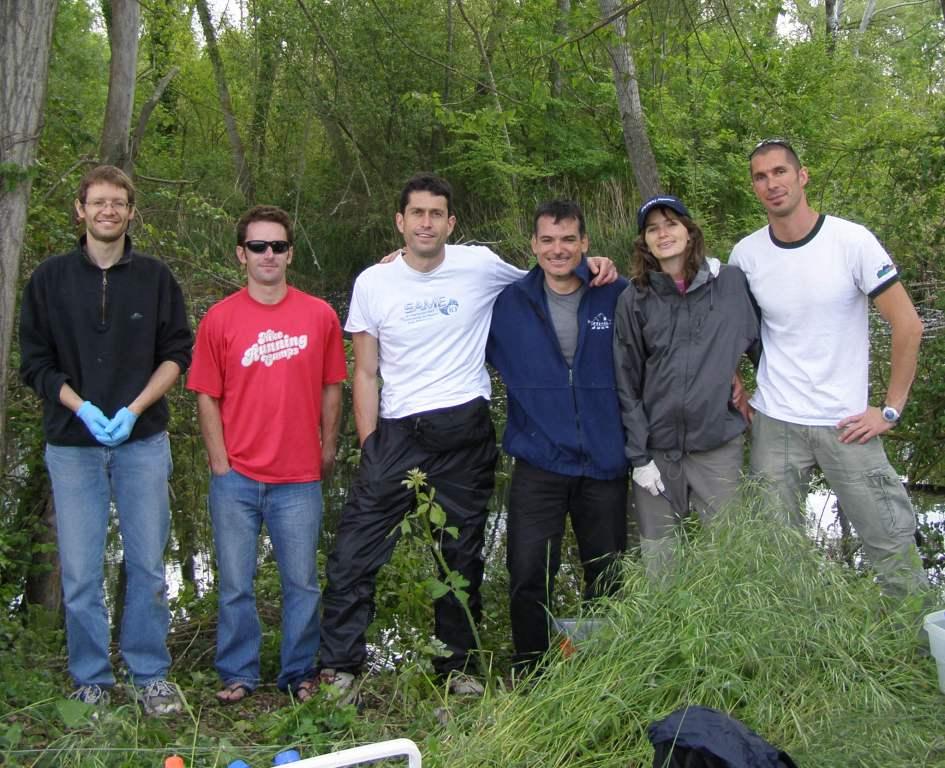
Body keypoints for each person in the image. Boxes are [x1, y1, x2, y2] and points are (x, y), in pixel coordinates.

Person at [317, 174, 616, 700]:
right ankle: (340, 667)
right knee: (354, 552)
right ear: (400, 222)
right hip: (396, 434)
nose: (426, 223)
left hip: (464, 430)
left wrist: (596, 265)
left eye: (437, 214)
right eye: (417, 214)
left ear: (451, 223)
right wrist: (368, 445)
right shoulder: (373, 283)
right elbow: (365, 372)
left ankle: (457, 669)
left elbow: (543, 274)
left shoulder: (478, 264)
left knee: (459, 556)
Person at [19, 165, 192, 715]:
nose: (108, 211)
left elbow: (176, 354)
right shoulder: (48, 279)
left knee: (146, 563)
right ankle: (90, 678)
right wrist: (82, 406)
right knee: (79, 570)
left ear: (131, 211)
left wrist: (135, 407)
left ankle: (150, 676)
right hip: (72, 444)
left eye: (118, 202)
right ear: (81, 209)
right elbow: (35, 364)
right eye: (98, 202)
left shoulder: (156, 278)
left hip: (141, 441)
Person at [729, 139, 929, 600]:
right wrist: (735, 382)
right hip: (776, 422)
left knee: (891, 542)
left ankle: (920, 653)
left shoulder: (851, 241)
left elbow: (908, 326)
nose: (771, 183)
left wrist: (891, 409)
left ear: (802, 177)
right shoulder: (747, 255)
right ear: (754, 188)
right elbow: (733, 332)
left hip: (847, 423)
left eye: (780, 172)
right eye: (760, 177)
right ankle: (795, 648)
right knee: (776, 550)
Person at [187, 205, 346, 704]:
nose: (269, 255)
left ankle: (298, 672)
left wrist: (328, 446)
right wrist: (219, 461)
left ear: (290, 254)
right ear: (242, 254)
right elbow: (206, 394)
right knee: (236, 583)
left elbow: (332, 387)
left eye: (277, 246)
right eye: (258, 246)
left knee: (302, 583)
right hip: (236, 477)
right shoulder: (220, 318)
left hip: (299, 477)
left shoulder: (319, 314)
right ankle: (238, 672)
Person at [485, 199, 629, 671]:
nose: (558, 249)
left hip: (605, 462)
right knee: (528, 573)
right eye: (547, 240)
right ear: (533, 245)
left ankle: (603, 673)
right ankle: (531, 673)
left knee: (607, 576)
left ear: (585, 244)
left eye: (569, 239)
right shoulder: (507, 303)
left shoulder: (616, 293)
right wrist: (394, 263)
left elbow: (663, 345)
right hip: (539, 463)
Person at [614, 195, 760, 578]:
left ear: (690, 231)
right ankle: (669, 633)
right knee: (661, 565)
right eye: (652, 228)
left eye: (671, 224)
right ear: (644, 242)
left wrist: (757, 395)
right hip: (657, 452)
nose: (663, 234)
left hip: (717, 445)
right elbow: (626, 381)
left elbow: (763, 346)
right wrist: (638, 457)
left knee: (727, 560)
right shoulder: (634, 298)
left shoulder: (729, 282)